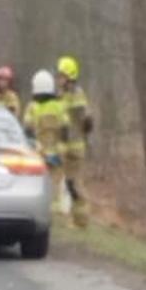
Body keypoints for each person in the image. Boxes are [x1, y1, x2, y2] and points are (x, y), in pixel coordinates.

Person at [22, 70, 72, 224]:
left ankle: (39, 211)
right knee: (56, 184)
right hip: (56, 152)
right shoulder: (60, 106)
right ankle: (56, 214)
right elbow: (66, 128)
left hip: (38, 153)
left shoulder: (32, 107)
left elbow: (27, 129)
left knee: (37, 183)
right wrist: (61, 150)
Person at [56, 55, 94, 227]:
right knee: (59, 179)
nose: (59, 79)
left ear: (70, 76)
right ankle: (62, 215)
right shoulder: (62, 95)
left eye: (62, 76)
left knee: (73, 183)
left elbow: (83, 119)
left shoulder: (77, 95)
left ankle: (81, 219)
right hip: (64, 145)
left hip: (74, 146)